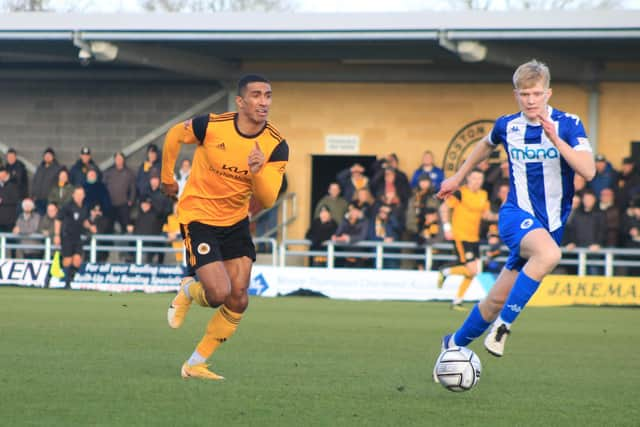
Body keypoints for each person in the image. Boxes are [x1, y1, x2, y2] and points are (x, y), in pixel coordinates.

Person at [433, 60, 595, 376]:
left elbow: (588, 170)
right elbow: (484, 144)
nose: (531, 100)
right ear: (516, 95)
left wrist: (555, 139)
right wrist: (457, 178)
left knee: (494, 300)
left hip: (550, 224)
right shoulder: (507, 125)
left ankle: (452, 343)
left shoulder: (569, 124)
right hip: (515, 214)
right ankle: (503, 328)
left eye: (536, 93)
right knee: (549, 254)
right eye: (524, 94)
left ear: (548, 93)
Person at [161, 74, 288, 380]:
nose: (264, 102)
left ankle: (195, 364)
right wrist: (167, 177)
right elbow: (175, 134)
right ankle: (189, 290)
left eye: (268, 95)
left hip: (235, 221)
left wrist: (257, 171)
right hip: (199, 215)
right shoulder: (211, 125)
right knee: (218, 293)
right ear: (240, 101)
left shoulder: (276, 145)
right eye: (256, 95)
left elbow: (269, 198)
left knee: (239, 297)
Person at [437, 169, 491, 310]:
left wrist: (502, 215)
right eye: (474, 178)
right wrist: (447, 227)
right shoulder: (461, 193)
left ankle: (457, 301)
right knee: (472, 270)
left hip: (474, 237)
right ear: (468, 179)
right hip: (461, 235)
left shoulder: (483, 195)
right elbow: (444, 208)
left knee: (474, 271)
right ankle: (445, 271)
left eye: (480, 179)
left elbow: (486, 215)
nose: (477, 181)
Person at [54, 187, 96, 289]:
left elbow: (84, 221)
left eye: (81, 194)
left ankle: (69, 279)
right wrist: (56, 235)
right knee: (67, 260)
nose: (79, 197)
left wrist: (91, 227)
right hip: (67, 236)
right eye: (77, 194)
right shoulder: (67, 206)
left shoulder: (84, 207)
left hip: (78, 237)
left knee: (77, 260)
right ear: (73, 195)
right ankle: (65, 282)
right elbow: (58, 219)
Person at [103, 152, 137, 234]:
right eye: (117, 159)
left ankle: (128, 245)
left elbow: (133, 188)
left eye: (120, 159)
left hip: (123, 204)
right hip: (110, 204)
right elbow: (103, 187)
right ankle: (108, 246)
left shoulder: (129, 173)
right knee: (109, 226)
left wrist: (131, 200)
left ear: (123, 160)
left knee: (126, 226)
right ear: (115, 160)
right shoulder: (109, 173)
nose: (119, 160)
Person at [31, 147, 62, 215]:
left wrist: (55, 199)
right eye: (46, 155)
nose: (47, 157)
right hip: (38, 200)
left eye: (49, 155)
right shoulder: (39, 168)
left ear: (53, 157)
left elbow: (59, 185)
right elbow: (34, 182)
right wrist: (33, 195)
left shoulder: (57, 169)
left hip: (49, 201)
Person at [0, 166, 20, 232]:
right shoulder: (2, 184)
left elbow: (15, 199)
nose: (1, 177)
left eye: (2, 175)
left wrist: (2, 201)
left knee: (9, 238)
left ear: (7, 174)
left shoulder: (13, 184)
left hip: (9, 219)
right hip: (1, 219)